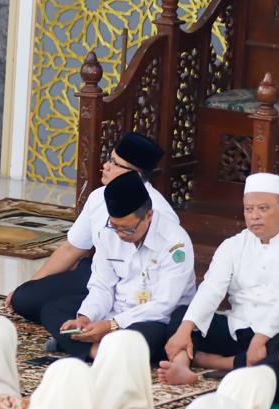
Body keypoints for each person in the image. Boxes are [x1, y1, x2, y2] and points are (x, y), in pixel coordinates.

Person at [9, 131, 170, 327]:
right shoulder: (98, 197)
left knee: (54, 311)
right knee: (24, 299)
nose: (106, 166)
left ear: (134, 175)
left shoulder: (158, 212)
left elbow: (158, 281)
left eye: (114, 163)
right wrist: (30, 285)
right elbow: (72, 249)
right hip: (96, 276)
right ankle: (83, 318)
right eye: (109, 158)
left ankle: (88, 326)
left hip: (133, 287)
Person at [49, 171, 195, 362]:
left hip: (153, 319)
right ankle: (101, 351)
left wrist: (112, 325)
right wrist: (86, 317)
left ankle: (88, 349)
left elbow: (164, 304)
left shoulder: (175, 242)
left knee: (140, 339)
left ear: (149, 215)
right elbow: (102, 285)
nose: (120, 234)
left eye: (128, 229)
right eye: (115, 226)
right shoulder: (107, 232)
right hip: (114, 310)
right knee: (52, 311)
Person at [163, 172, 279, 386]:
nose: (254, 216)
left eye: (263, 209)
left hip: (274, 333)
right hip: (238, 327)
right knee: (182, 317)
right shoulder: (233, 245)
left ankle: (213, 362)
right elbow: (211, 289)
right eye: (248, 209)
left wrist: (262, 337)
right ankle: (181, 365)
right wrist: (185, 329)